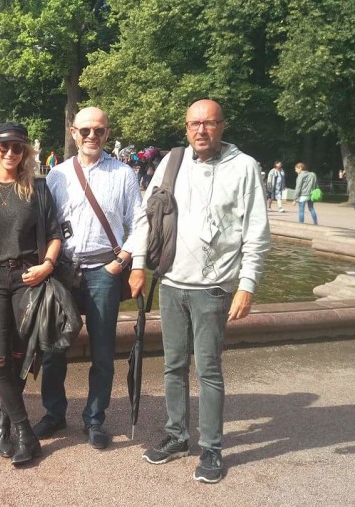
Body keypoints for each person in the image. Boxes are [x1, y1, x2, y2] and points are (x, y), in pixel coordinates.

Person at [136, 99, 270, 484]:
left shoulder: (244, 167)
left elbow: (257, 233)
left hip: (213, 286)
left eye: (209, 123)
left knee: (209, 369)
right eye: (195, 123)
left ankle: (211, 448)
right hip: (172, 282)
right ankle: (177, 436)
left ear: (222, 126)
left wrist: (247, 285)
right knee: (173, 366)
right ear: (186, 127)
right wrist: (140, 265)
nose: (201, 130)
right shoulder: (171, 162)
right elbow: (149, 216)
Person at [38, 107, 143, 450]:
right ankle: (54, 413)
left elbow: (140, 222)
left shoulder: (123, 174)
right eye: (85, 130)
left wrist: (125, 259)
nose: (91, 137)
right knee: (53, 347)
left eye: (98, 130)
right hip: (64, 270)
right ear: (73, 132)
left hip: (104, 270)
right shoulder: (57, 175)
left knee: (102, 350)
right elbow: (45, 225)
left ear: (107, 132)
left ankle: (95, 418)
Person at [0, 122, 62, 466]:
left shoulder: (36, 188)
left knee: (21, 356)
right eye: (4, 146)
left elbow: (54, 233)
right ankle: (25, 430)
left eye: (17, 147)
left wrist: (47, 265)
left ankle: (5, 418)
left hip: (27, 277)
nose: (10, 153)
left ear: (25, 152)